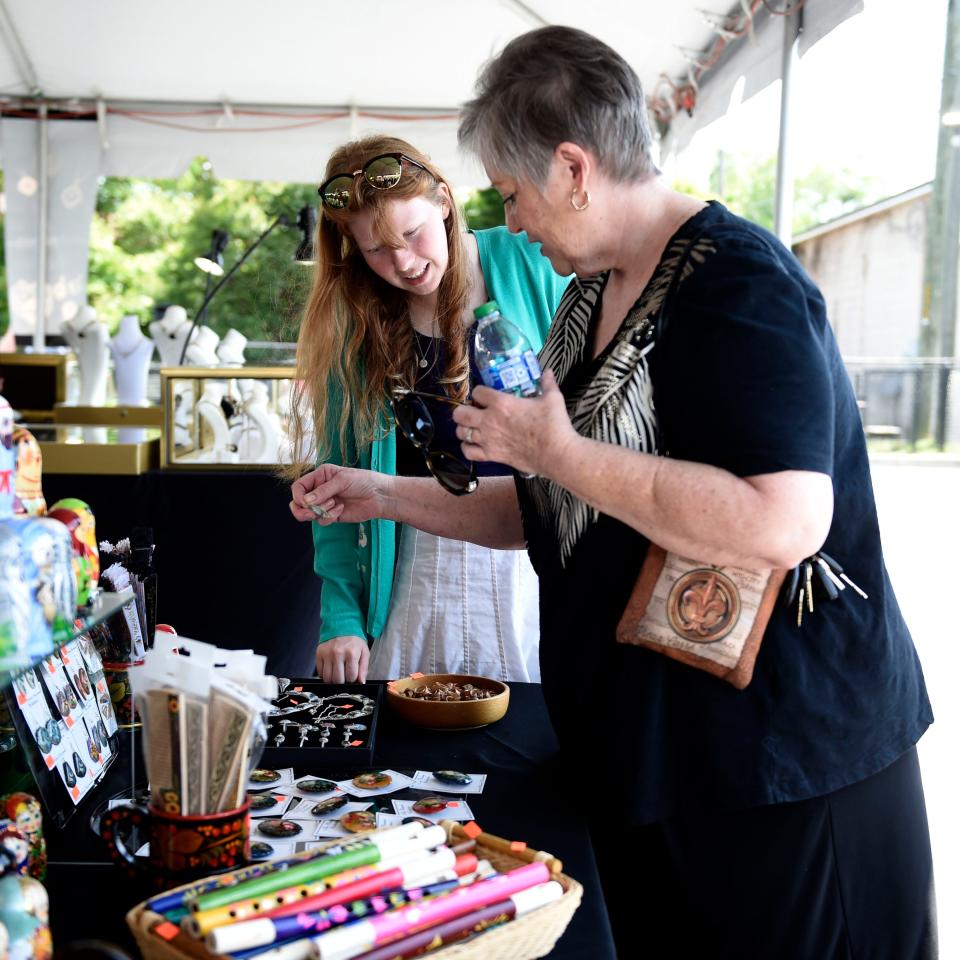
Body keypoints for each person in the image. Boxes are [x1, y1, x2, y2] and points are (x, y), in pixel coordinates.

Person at [291, 28, 937, 959]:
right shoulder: (590, 298)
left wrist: (552, 447)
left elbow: (784, 522)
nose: (509, 223)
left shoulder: (737, 281)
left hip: (780, 770)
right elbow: (555, 513)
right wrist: (383, 496)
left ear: (573, 167)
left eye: (512, 193)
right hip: (657, 763)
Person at [287, 135, 569, 685]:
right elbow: (341, 486)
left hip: (534, 572)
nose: (404, 264)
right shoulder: (355, 322)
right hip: (413, 580)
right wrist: (340, 619)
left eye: (412, 234)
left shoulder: (533, 263)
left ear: (444, 200)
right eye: (376, 250)